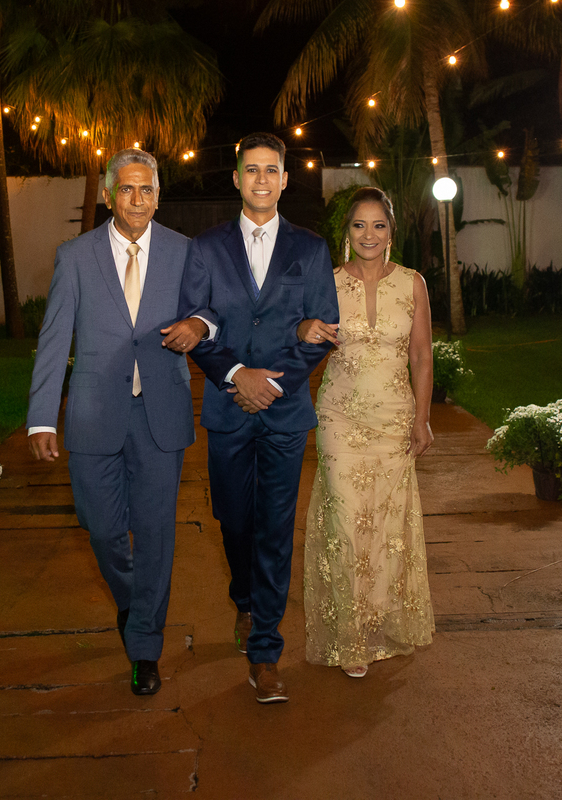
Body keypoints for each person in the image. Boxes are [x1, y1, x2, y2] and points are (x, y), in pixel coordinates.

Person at [160, 133, 339, 703]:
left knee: (276, 529)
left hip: (285, 413)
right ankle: (244, 598)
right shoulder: (206, 247)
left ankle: (266, 651)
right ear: (236, 179)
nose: (262, 179)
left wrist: (273, 384)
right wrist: (238, 376)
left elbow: (323, 328)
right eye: (251, 170)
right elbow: (198, 318)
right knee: (235, 521)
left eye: (271, 170)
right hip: (228, 407)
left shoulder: (310, 249)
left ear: (285, 180)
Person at [26, 148, 194, 697]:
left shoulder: (184, 252)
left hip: (160, 415)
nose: (137, 199)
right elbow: (55, 336)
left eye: (147, 189)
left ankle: (145, 647)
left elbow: (209, 311)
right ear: (107, 196)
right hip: (94, 413)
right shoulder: (75, 256)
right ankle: (132, 601)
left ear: (158, 196)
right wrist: (41, 418)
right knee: (101, 528)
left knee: (155, 534)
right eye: (127, 189)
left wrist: (200, 325)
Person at [296, 186, 435, 678]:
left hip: (395, 420)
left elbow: (421, 355)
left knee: (387, 527)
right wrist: (304, 328)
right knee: (346, 524)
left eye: (378, 225)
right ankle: (350, 636)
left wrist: (421, 418)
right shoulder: (328, 282)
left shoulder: (413, 283)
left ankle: (382, 625)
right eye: (359, 225)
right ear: (347, 232)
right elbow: (298, 330)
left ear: (391, 231)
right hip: (340, 416)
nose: (369, 234)